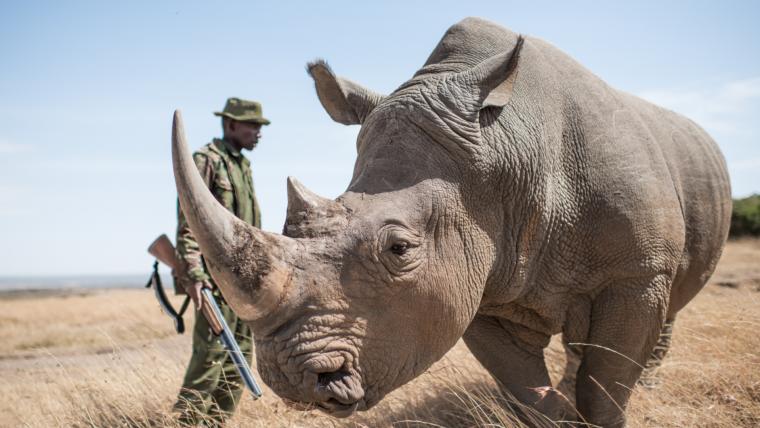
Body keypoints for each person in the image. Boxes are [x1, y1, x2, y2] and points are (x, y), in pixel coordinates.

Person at [172, 97, 268, 426]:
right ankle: (186, 423)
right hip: (214, 282)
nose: (258, 132)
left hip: (243, 285)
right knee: (210, 359)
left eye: (260, 127)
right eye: (252, 125)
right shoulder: (206, 160)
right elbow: (189, 220)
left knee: (238, 362)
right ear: (230, 125)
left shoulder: (242, 165)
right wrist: (195, 275)